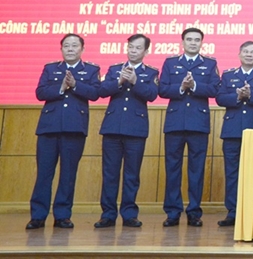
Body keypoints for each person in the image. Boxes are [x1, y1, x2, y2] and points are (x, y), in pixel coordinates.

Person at [26, 33, 101, 230]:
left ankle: (62, 215)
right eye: (66, 45)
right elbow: (40, 92)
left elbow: (95, 93)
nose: (70, 49)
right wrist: (60, 87)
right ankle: (38, 216)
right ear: (61, 49)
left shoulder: (91, 70)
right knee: (44, 174)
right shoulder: (50, 68)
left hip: (74, 128)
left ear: (82, 49)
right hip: (49, 128)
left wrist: (75, 85)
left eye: (74, 45)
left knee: (68, 175)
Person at [94, 34, 159, 229]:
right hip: (112, 128)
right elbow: (101, 91)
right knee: (110, 174)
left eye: (138, 48)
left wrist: (136, 81)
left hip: (136, 130)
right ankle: (108, 214)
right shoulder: (115, 69)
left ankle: (129, 214)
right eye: (131, 47)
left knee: (132, 175)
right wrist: (119, 81)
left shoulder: (151, 72)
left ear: (146, 51)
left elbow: (152, 95)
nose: (133, 50)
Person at [158, 27, 220, 228]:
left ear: (202, 43)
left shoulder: (210, 64)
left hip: (198, 124)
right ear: (182, 42)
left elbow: (215, 89)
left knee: (197, 170)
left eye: (197, 40)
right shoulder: (171, 63)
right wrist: (181, 87)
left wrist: (194, 86)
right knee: (172, 169)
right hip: (175, 123)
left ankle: (194, 212)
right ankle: (172, 212)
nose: (193, 43)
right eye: (189, 39)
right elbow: (162, 89)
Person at [215, 41, 253, 227]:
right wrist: (238, 97)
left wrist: (251, 95)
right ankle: (233, 212)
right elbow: (219, 98)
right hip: (232, 131)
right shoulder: (228, 75)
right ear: (239, 55)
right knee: (232, 173)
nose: (249, 55)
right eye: (246, 52)